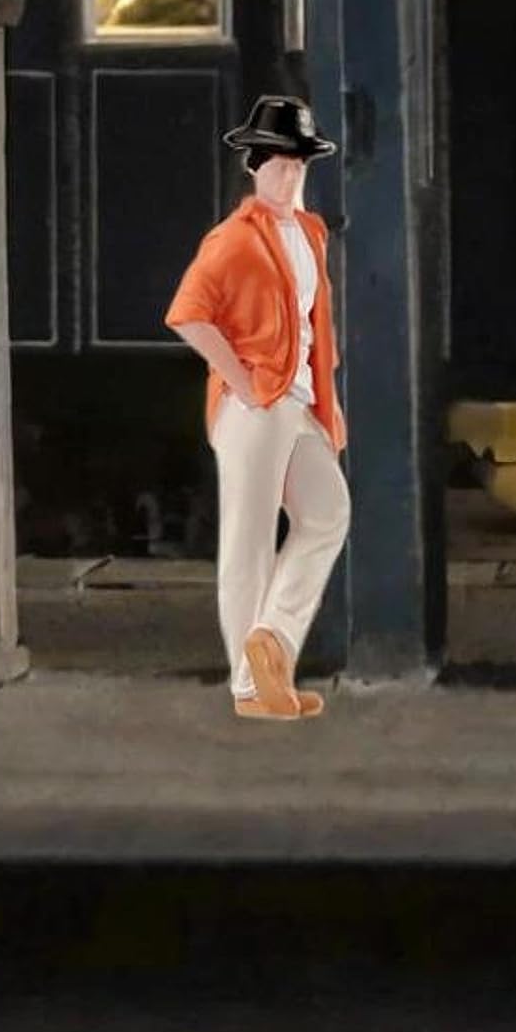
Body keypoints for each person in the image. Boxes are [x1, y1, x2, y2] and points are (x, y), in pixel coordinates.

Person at [166, 94, 351, 721]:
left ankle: (271, 640)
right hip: (256, 407)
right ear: (254, 167)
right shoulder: (234, 240)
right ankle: (251, 687)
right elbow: (188, 314)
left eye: (298, 164)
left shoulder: (310, 234)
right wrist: (241, 382)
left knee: (328, 513)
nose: (289, 175)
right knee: (247, 541)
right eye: (277, 163)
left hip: (298, 402)